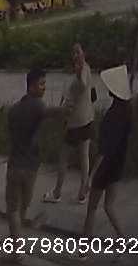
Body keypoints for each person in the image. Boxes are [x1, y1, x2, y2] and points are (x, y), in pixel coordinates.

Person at [83, 65, 132, 242]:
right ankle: (123, 238)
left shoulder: (112, 116)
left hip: (104, 168)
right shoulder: (127, 112)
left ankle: (84, 249)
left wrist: (90, 176)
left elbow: (104, 150)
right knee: (109, 206)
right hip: (118, 164)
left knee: (92, 209)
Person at [5, 67, 48, 258]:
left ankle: (16, 245)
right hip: (31, 167)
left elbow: (10, 135)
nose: (44, 87)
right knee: (21, 206)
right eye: (41, 84)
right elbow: (50, 113)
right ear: (31, 86)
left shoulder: (14, 110)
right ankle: (17, 243)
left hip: (15, 164)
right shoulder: (38, 105)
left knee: (13, 208)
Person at [45, 44, 93, 204]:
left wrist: (63, 118)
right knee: (84, 156)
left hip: (75, 123)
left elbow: (82, 84)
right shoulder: (85, 69)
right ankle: (82, 193)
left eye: (78, 51)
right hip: (86, 120)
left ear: (83, 53)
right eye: (73, 52)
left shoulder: (82, 72)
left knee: (64, 157)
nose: (76, 54)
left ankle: (57, 193)